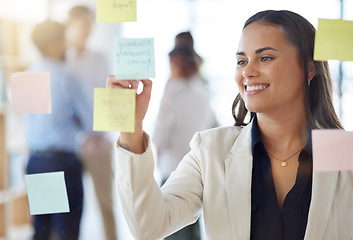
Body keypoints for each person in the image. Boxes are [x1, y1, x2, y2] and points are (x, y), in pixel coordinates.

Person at [107, 9, 353, 240]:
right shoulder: (210, 151)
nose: (248, 72)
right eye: (242, 61)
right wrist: (131, 126)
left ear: (309, 68)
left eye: (265, 58)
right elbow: (147, 225)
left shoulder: (346, 154)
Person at [25, 20, 93, 240]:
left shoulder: (26, 75)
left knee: (42, 230)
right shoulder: (66, 76)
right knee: (67, 231)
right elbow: (90, 121)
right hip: (61, 164)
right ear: (55, 44)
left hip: (36, 161)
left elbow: (30, 121)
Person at [152, 46, 218, 240]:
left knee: (172, 225)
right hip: (198, 166)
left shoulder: (173, 94)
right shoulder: (202, 92)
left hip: (173, 167)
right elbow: (211, 125)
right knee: (192, 225)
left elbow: (160, 134)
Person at [65, 5, 118, 240]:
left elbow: (109, 100)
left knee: (106, 205)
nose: (88, 29)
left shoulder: (100, 59)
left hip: (98, 142)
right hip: (68, 145)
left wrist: (99, 135)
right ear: (70, 24)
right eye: (83, 23)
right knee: (66, 209)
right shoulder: (60, 60)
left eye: (91, 23)